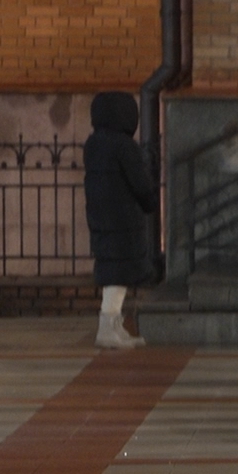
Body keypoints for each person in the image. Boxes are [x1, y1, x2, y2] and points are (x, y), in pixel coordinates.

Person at [84, 91, 156, 350]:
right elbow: (140, 183)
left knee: (114, 267)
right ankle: (108, 326)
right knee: (120, 271)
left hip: (101, 215)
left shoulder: (93, 144)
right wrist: (150, 202)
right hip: (123, 217)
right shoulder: (124, 146)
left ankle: (114, 326)